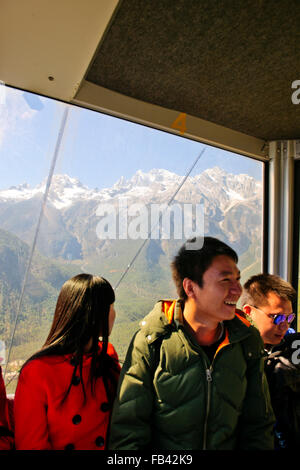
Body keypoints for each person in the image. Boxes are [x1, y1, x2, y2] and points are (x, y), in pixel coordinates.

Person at [109, 237, 275, 450]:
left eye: (237, 279)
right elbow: (128, 431)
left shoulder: (246, 339)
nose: (237, 290)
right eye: (225, 280)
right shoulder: (153, 340)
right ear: (190, 287)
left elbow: (259, 425)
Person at [14, 273, 120, 450]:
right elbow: (31, 445)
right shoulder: (37, 372)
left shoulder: (107, 356)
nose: (115, 313)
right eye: (111, 306)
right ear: (95, 314)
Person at [240, 273, 300, 449]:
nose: (284, 326)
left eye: (289, 318)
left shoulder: (294, 348)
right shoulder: (234, 355)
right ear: (249, 311)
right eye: (277, 318)